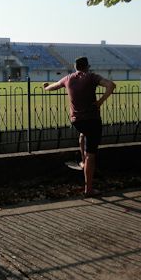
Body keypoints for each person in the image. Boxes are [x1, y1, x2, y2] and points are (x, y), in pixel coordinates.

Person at [44, 57, 116, 197]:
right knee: (91, 154)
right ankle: (88, 188)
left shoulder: (67, 78)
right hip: (92, 120)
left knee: (83, 135)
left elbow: (52, 87)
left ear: (75, 66)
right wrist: (100, 101)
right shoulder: (91, 77)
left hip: (76, 121)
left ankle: (83, 163)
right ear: (88, 66)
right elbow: (111, 85)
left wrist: (45, 87)